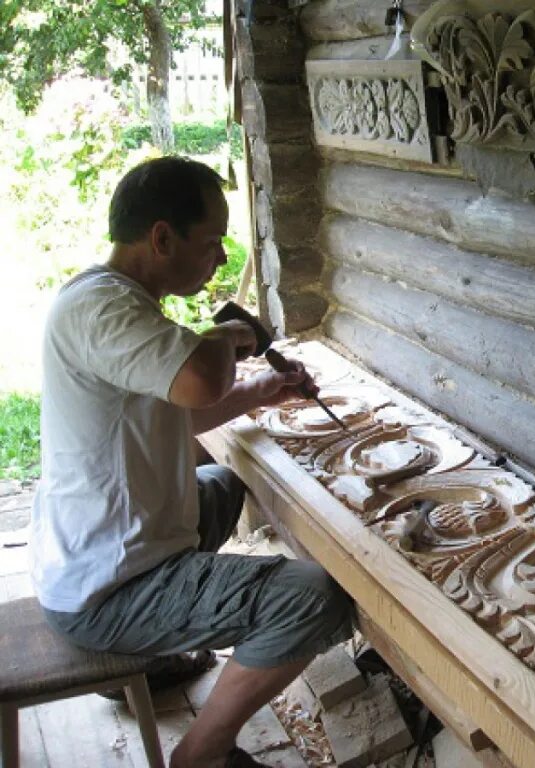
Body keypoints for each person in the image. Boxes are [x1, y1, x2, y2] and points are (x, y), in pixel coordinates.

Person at [30, 156, 352, 768]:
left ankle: (162, 651)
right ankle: (201, 754)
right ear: (160, 237)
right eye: (210, 243)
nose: (220, 260)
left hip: (100, 547)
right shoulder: (102, 310)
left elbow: (174, 413)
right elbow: (202, 379)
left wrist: (257, 393)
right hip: (106, 589)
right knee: (311, 597)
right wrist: (230, 340)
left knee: (222, 484)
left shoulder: (116, 303)